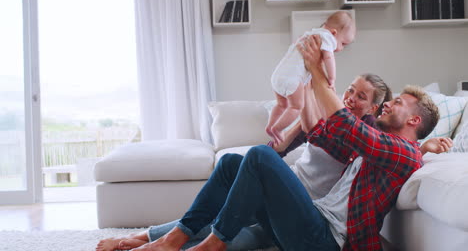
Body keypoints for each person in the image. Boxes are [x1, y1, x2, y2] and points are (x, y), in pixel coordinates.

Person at [96, 73, 451, 251]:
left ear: (414, 121)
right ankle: (171, 237)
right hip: (303, 211)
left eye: (398, 103)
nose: (391, 105)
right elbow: (321, 132)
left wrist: (316, 67)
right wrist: (312, 84)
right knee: (235, 163)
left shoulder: (389, 146)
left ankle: (207, 244)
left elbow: (359, 133)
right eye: (351, 93)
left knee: (257, 157)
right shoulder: (387, 148)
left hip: (325, 238)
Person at [266, 10, 355, 145]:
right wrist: (331, 78)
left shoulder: (310, 34)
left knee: (281, 104)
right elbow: (328, 58)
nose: (341, 49)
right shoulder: (327, 38)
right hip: (291, 80)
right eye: (343, 43)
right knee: (296, 107)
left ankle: (270, 126)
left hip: (277, 76)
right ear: (334, 33)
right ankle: (277, 129)